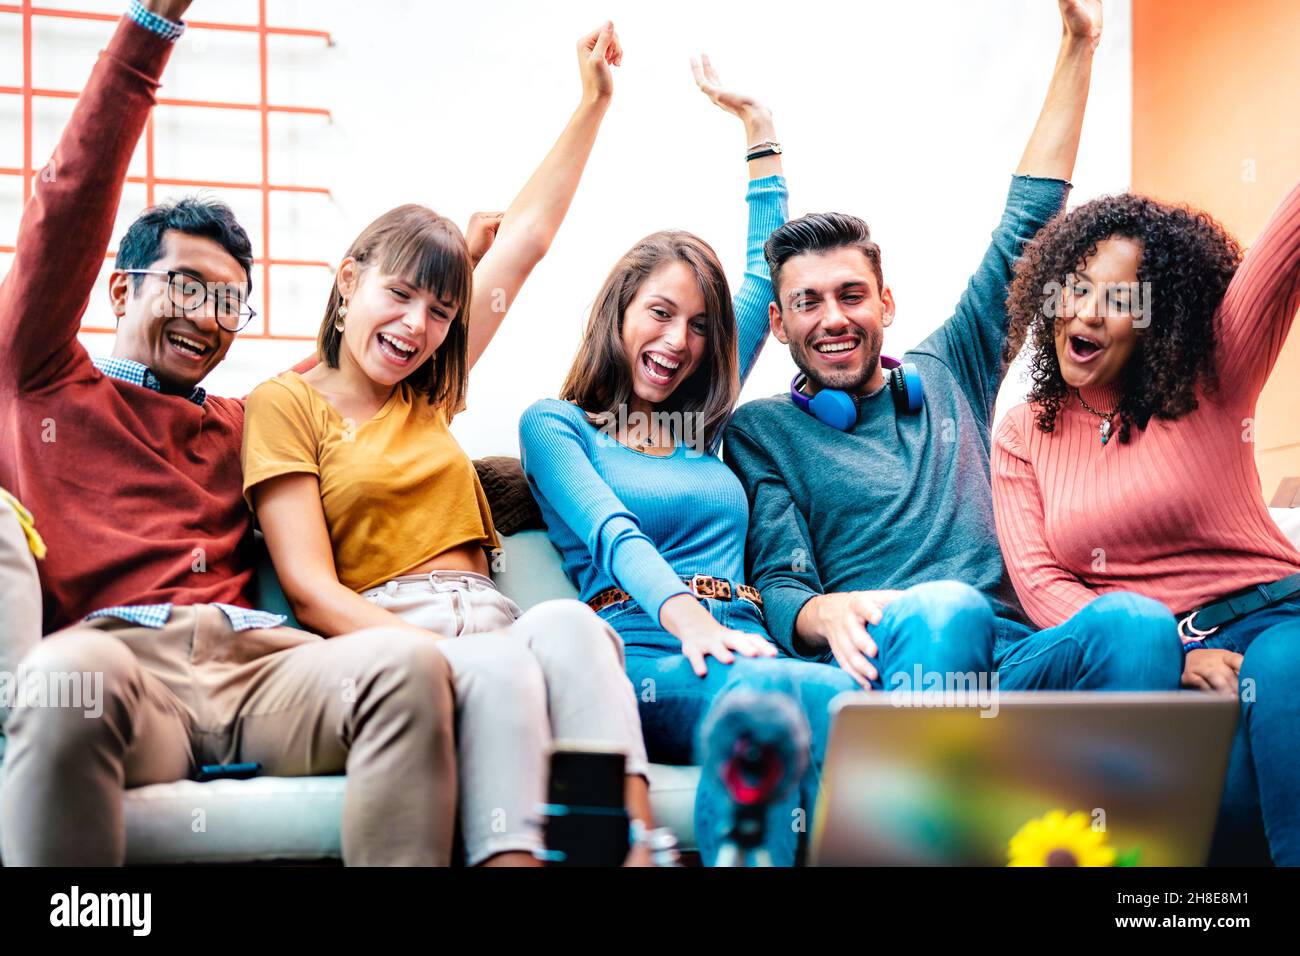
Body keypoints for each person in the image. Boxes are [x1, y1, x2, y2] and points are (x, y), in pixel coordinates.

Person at [0, 1, 459, 866]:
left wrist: (460, 266)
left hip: (264, 667)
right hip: (124, 668)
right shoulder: (41, 377)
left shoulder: (254, 420)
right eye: (184, 286)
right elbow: (67, 199)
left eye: (228, 301)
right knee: (67, 685)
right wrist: (152, 26)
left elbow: (384, 362)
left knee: (406, 669)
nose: (208, 316)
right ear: (122, 291)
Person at [243, 23, 651, 868]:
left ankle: (632, 852)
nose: (418, 327)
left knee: (573, 627)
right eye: (399, 296)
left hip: (496, 612)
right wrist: (447, 656)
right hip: (395, 633)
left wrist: (593, 103)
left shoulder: (430, 388)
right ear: (348, 278)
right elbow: (313, 593)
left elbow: (527, 239)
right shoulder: (283, 405)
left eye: (439, 310)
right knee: (503, 671)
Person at [723, 1, 1178, 698]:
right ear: (779, 325)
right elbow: (783, 583)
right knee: (950, 608)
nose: (832, 318)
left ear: (887, 304)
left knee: (1138, 625)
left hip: (1017, 654)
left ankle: (1102, 811)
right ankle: (942, 804)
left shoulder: (950, 367)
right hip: (899, 649)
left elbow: (1027, 224)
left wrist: (1080, 44)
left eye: (851, 294)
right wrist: (825, 611)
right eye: (808, 303)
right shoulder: (764, 431)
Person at [520, 54, 861, 867]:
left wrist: (760, 132)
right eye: (661, 313)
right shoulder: (558, 426)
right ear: (619, 313)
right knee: (775, 700)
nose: (679, 341)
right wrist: (689, 619)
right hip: (645, 660)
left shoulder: (699, 427)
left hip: (745, 644)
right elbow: (611, 534)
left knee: (851, 702)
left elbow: (757, 269)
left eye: (700, 326)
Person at [993, 176, 1300, 864]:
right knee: (1210, 808)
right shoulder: (1023, 431)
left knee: (1290, 669)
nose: (1089, 313)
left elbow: (1290, 235)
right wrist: (1176, 651)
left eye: (1120, 298)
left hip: (1276, 616)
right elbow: (1040, 583)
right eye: (1075, 287)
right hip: (1153, 649)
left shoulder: (1217, 368)